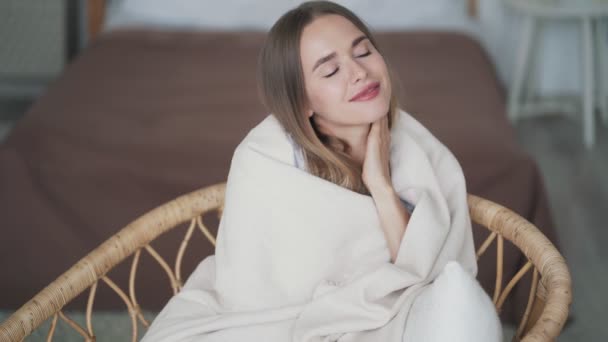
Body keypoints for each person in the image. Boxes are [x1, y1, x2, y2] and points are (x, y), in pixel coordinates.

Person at [142, 1, 501, 341]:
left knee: (458, 307)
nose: (359, 72)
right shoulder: (264, 160)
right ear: (303, 102)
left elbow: (427, 271)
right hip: (281, 320)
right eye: (330, 70)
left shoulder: (416, 146)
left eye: (363, 52)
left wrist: (380, 185)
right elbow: (255, 289)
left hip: (389, 317)